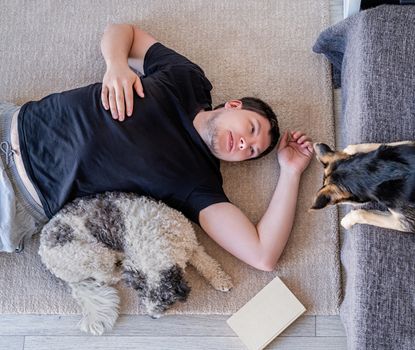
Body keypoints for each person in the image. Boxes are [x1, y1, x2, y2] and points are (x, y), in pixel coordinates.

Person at [0, 24, 313, 271]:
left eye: (252, 151)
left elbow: (262, 255)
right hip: (12, 121)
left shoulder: (200, 185)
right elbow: (124, 32)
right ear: (234, 105)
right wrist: (117, 65)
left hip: (18, 196)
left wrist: (291, 171)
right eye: (252, 129)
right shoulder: (187, 80)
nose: (246, 144)